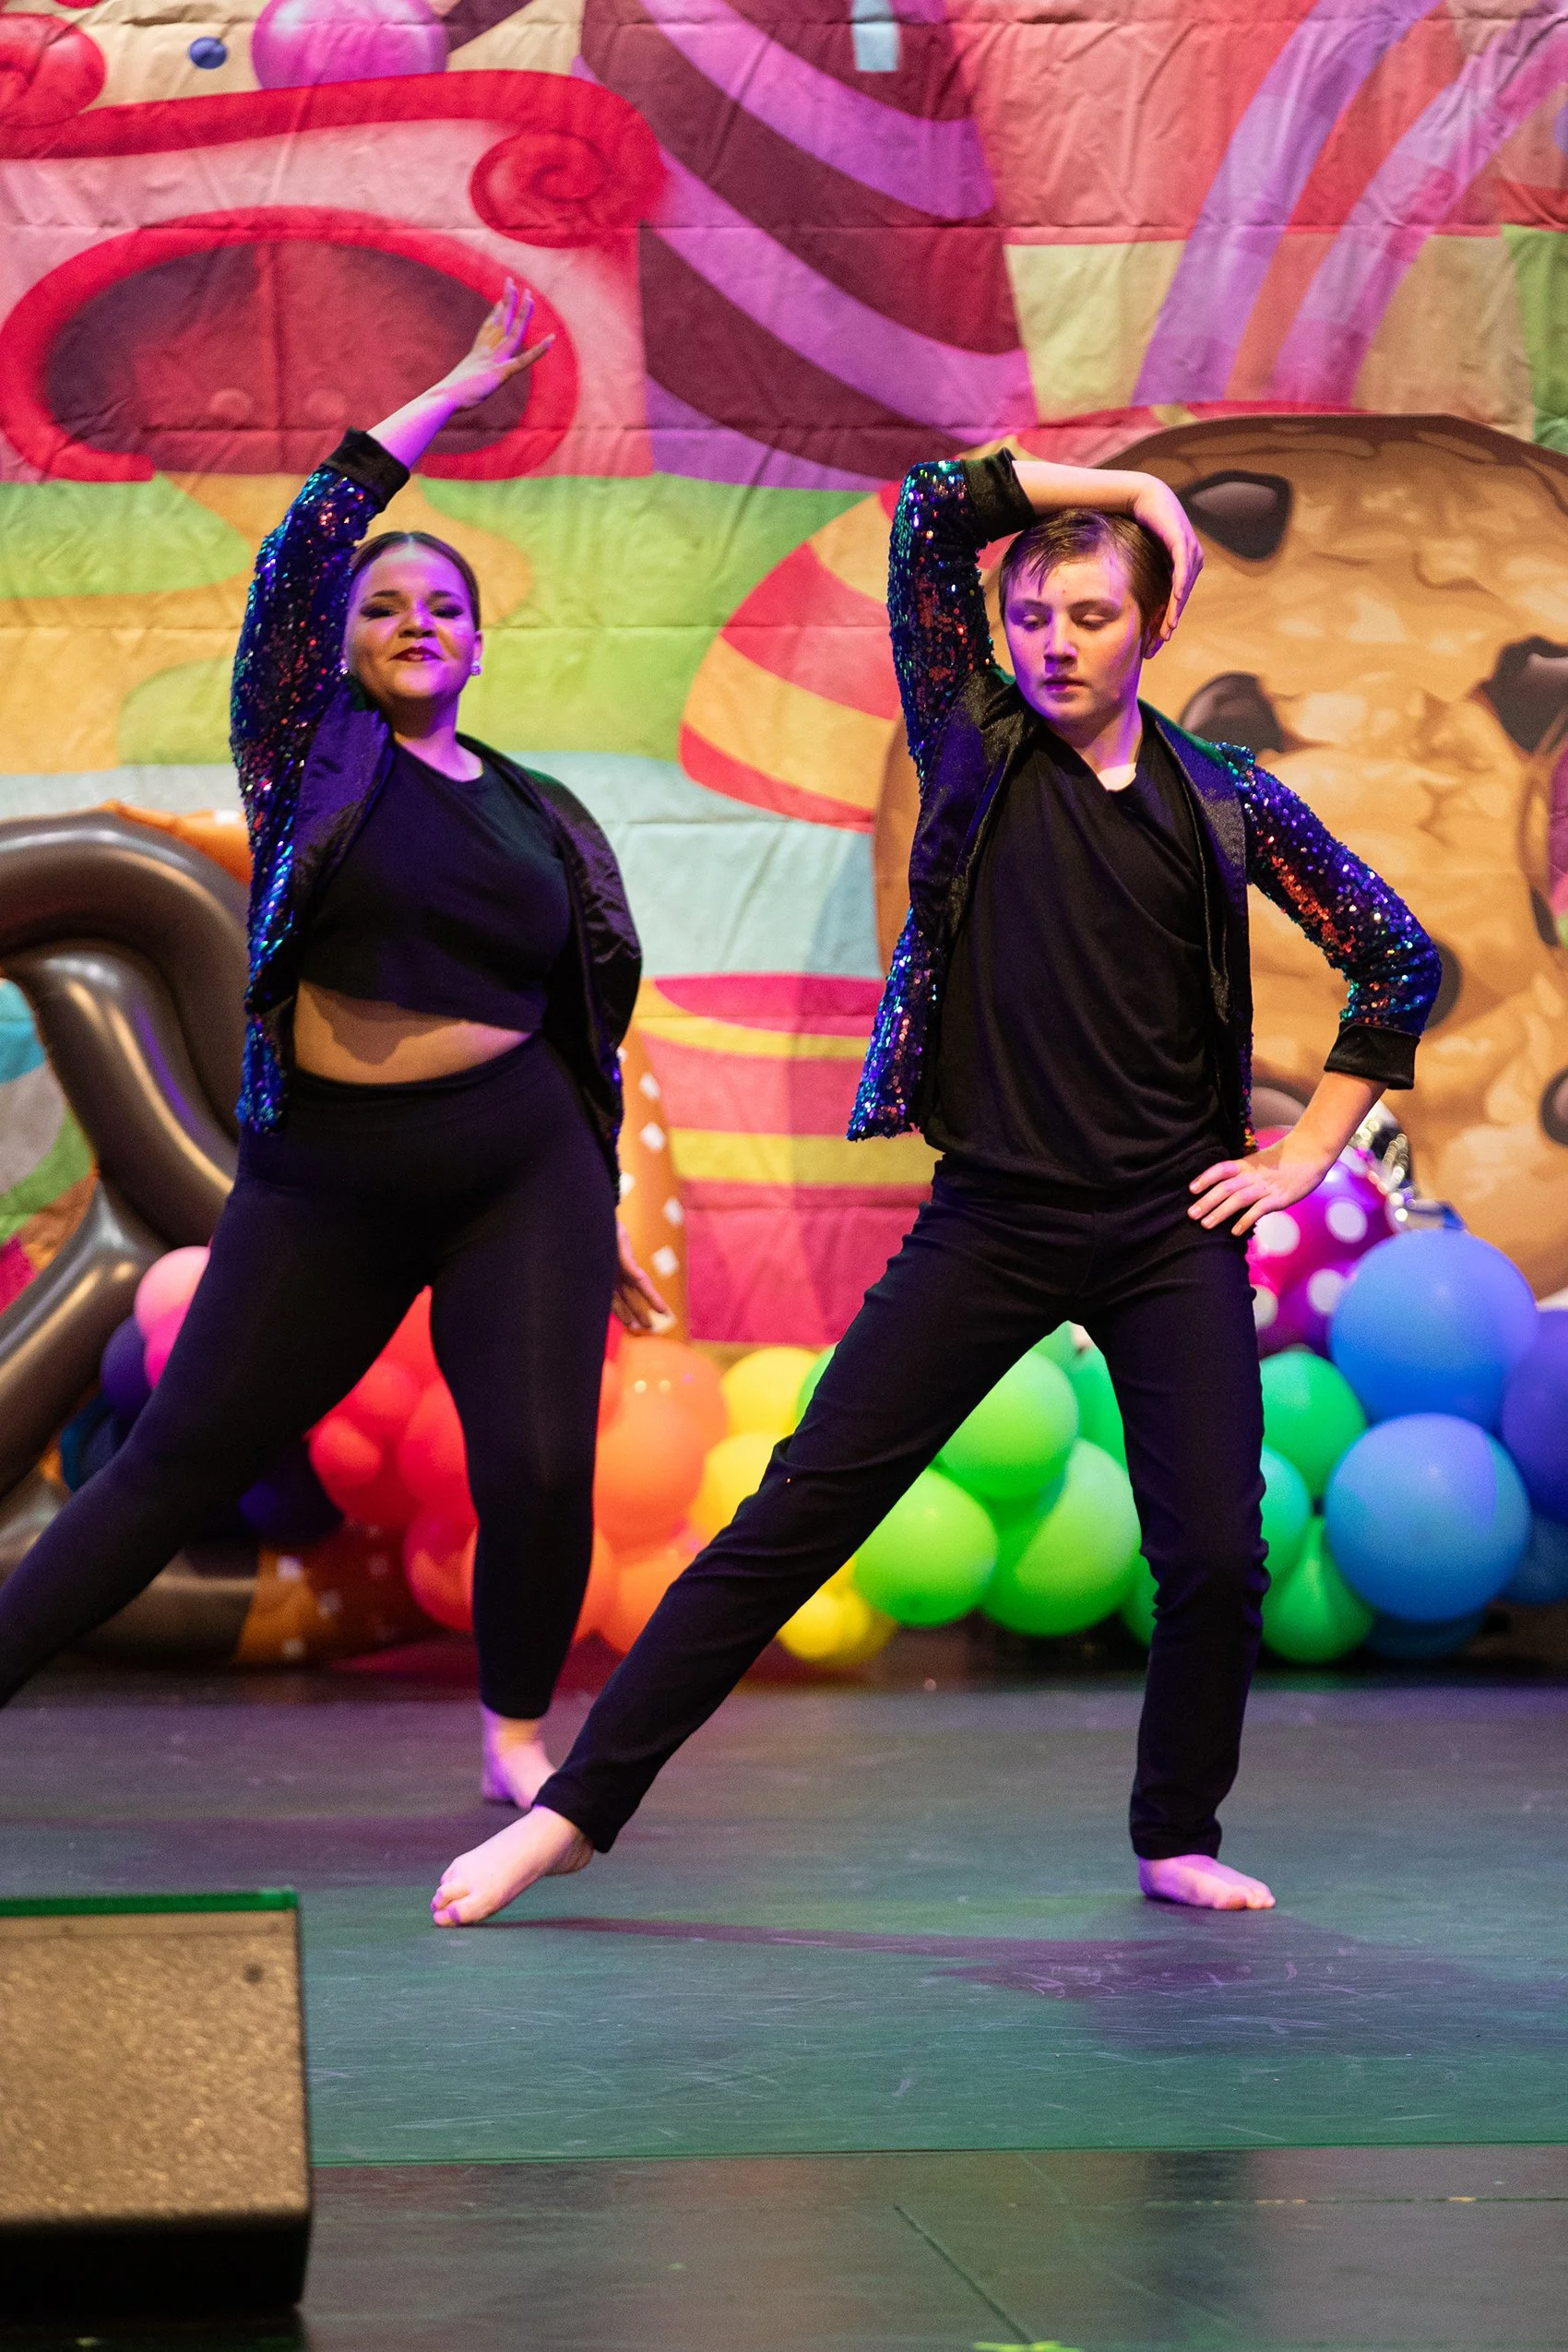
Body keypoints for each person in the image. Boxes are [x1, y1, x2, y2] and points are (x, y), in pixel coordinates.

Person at [432, 444, 1442, 1926]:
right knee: (794, 1516)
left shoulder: (1223, 803)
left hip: (1166, 1230)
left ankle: (1176, 1829)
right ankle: (576, 1812)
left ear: (1151, 628)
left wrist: (1302, 1155)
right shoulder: (974, 741)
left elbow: (1395, 955)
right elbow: (926, 512)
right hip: (995, 1220)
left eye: (1091, 616)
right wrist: (1135, 491)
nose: (1054, 644)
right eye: (1033, 615)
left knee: (1219, 1551)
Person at [0, 283, 667, 1805]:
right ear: (342, 648)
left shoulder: (542, 814)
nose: (413, 620)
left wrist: (600, 1193)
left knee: (543, 1470)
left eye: (442, 607)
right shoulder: (310, 756)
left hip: (520, 1162)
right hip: (333, 1174)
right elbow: (309, 538)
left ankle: (512, 1736)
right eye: (384, 606)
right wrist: (455, 387)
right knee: (177, 1455)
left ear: (481, 647)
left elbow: (584, 1023)